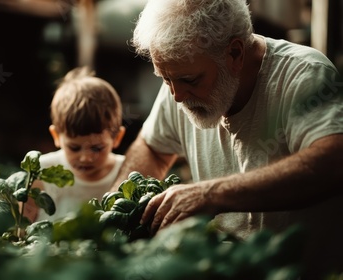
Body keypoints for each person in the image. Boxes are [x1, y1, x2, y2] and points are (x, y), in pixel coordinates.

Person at [112, 0, 343, 278]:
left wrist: (209, 195)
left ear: (235, 53)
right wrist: (116, 213)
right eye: (164, 79)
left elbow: (332, 162)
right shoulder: (180, 79)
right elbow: (153, 148)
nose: (176, 96)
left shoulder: (304, 75)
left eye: (191, 81)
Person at [24, 66, 126, 223]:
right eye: (74, 148)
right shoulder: (41, 172)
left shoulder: (126, 172)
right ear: (56, 136)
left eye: (97, 148)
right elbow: (21, 230)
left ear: (117, 138)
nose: (85, 158)